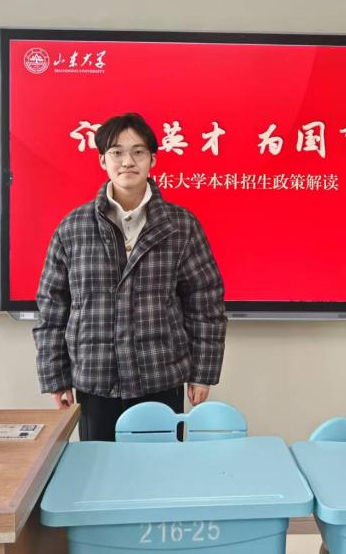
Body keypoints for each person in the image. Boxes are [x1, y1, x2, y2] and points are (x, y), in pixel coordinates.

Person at [32, 112, 227, 441]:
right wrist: (56, 377)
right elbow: (52, 308)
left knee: (161, 468)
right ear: (102, 160)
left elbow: (205, 303)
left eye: (138, 152)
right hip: (95, 379)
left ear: (153, 160)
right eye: (117, 152)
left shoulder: (180, 226)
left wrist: (202, 372)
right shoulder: (73, 227)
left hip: (161, 376)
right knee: (98, 468)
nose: (127, 161)